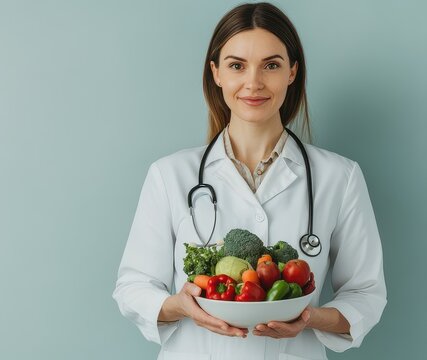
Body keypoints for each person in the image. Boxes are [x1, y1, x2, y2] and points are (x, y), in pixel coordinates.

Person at [112, 2, 386, 359]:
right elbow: (133, 287)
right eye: (237, 65)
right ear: (216, 73)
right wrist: (180, 306)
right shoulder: (169, 174)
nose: (253, 83)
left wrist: (310, 317)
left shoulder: (340, 177)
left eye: (271, 65)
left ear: (292, 72)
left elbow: (366, 294)